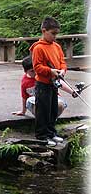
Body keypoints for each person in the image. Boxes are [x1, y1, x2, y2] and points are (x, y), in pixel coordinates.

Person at [29, 17, 79, 146]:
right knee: (43, 110)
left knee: (52, 109)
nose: (55, 37)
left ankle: (51, 133)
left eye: (56, 34)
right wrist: (51, 71)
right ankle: (42, 135)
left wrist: (62, 71)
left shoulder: (56, 46)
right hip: (43, 84)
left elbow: (62, 62)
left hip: (54, 84)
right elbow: (37, 67)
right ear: (44, 31)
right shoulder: (38, 48)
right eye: (53, 33)